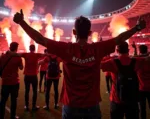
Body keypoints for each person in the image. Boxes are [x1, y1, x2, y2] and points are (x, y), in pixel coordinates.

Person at [13, 10, 146, 119]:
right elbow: (120, 39)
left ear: (74, 32)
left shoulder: (65, 49)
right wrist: (137, 27)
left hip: (71, 106)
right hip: (92, 106)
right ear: (89, 33)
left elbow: (39, 38)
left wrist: (21, 22)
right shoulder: (98, 48)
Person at [101, 42, 150, 119]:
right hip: (132, 100)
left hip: (116, 100)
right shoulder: (137, 61)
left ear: (117, 50)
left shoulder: (112, 62)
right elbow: (147, 59)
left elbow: (97, 64)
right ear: (128, 50)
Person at [0, 42, 23, 119]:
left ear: (10, 47)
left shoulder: (2, 56)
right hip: (14, 82)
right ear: (16, 48)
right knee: (14, 100)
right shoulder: (17, 57)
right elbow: (21, 67)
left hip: (5, 82)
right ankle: (12, 116)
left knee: (3, 100)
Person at [20, 44, 43, 111]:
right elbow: (45, 55)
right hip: (33, 76)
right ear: (34, 49)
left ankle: (26, 106)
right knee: (34, 91)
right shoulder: (37, 55)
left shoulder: (26, 54)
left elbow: (16, 54)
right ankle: (33, 106)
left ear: (29, 49)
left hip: (27, 76)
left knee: (27, 91)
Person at [136, 44, 150, 119]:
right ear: (147, 50)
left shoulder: (138, 61)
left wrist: (135, 50)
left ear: (139, 51)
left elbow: (132, 58)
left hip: (141, 89)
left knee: (142, 108)